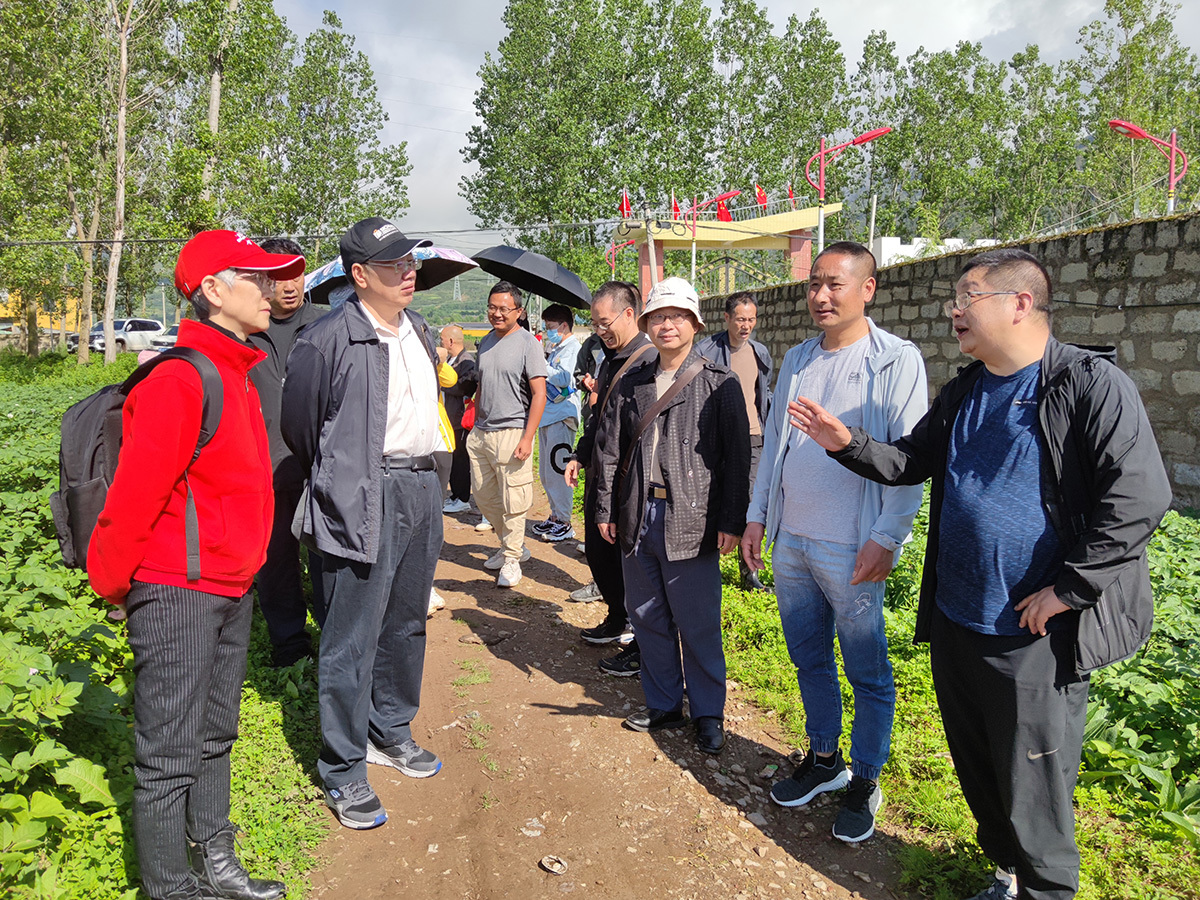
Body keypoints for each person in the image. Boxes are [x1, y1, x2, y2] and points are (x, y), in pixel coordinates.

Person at [789, 248, 1171, 900]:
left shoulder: (1088, 385)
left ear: (1020, 303)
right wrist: (846, 444)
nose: (953, 311)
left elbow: (1139, 498)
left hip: (1033, 636)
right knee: (980, 769)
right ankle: (1005, 877)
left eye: (968, 297)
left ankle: (1044, 888)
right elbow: (911, 461)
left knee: (1034, 787)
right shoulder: (967, 389)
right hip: (959, 620)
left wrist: (1070, 590)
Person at [88, 230, 303, 900]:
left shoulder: (235, 373)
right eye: (256, 277)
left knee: (215, 734)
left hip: (229, 584)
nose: (271, 290)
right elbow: (133, 500)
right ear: (213, 289)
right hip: (176, 589)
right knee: (167, 754)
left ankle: (216, 864)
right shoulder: (181, 378)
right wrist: (114, 585)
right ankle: (170, 887)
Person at [741, 242, 928, 844]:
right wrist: (758, 515)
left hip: (852, 545)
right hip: (793, 540)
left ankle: (865, 779)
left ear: (867, 289)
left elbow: (909, 460)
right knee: (809, 658)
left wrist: (886, 536)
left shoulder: (895, 361)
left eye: (835, 285)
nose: (821, 296)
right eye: (814, 284)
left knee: (867, 669)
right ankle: (825, 759)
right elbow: (776, 443)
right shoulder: (798, 358)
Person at [282, 218, 444, 831]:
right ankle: (344, 768)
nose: (408, 273)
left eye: (410, 262)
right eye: (394, 265)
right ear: (359, 275)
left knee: (406, 621)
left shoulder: (419, 329)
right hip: (361, 494)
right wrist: (345, 480)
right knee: (351, 636)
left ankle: (390, 727)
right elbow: (301, 430)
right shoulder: (327, 339)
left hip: (421, 487)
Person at [594, 277, 750, 755]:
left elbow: (737, 458)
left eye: (677, 316)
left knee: (697, 621)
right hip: (638, 513)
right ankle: (664, 704)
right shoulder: (634, 383)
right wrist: (606, 507)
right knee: (647, 615)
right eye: (659, 317)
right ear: (646, 323)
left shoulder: (719, 383)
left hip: (692, 517)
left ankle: (708, 713)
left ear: (695, 324)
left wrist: (732, 521)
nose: (667, 325)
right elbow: (610, 450)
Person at [563, 282, 654, 675]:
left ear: (629, 314)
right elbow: (598, 421)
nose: (600, 331)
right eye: (595, 324)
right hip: (602, 474)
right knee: (601, 555)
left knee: (632, 565)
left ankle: (643, 643)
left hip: (627, 480)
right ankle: (617, 617)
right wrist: (580, 456)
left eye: (605, 323)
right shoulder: (609, 360)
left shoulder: (648, 362)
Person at [247, 237, 328, 668]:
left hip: (321, 464)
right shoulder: (246, 330)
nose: (290, 285)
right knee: (276, 558)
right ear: (262, 280)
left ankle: (334, 635)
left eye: (296, 274)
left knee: (327, 555)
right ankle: (289, 644)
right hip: (265, 466)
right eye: (279, 277)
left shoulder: (326, 325)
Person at [466, 282, 548, 587]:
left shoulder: (528, 343)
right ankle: (510, 546)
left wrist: (527, 437)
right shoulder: (486, 341)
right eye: (492, 307)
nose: (496, 313)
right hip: (482, 432)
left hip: (512, 431)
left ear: (519, 311)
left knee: (514, 500)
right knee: (484, 496)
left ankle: (512, 558)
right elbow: (481, 384)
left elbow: (539, 393)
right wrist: (475, 420)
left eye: (504, 308)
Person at [697, 291, 773, 591]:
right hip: (717, 441)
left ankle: (749, 572)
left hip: (753, 439)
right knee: (713, 498)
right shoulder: (705, 351)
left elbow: (763, 394)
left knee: (751, 504)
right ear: (726, 318)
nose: (746, 325)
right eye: (740, 319)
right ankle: (706, 564)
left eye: (751, 319)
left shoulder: (760, 353)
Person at [532, 304, 581, 543]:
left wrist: (542, 365)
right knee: (546, 472)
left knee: (558, 470)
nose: (548, 331)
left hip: (562, 416)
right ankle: (554, 515)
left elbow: (564, 378)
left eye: (550, 327)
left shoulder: (573, 348)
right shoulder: (557, 348)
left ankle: (564, 521)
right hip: (549, 415)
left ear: (563, 325)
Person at [439, 325, 477, 515]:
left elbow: (464, 388)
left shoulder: (466, 362)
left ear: (451, 341)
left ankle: (462, 498)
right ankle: (455, 495)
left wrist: (443, 385)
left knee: (460, 460)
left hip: (460, 419)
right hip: (449, 418)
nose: (440, 343)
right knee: (453, 459)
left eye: (442, 339)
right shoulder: (451, 360)